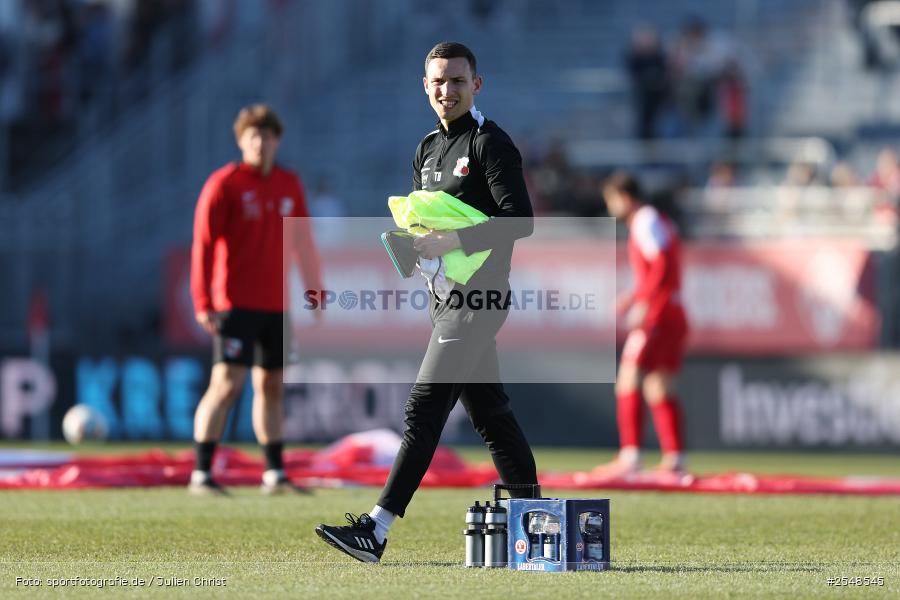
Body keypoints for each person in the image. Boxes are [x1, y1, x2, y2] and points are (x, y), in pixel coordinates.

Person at [315, 41, 539, 563]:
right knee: (491, 414)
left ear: (476, 85)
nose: (447, 90)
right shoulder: (425, 149)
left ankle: (377, 529)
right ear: (425, 86)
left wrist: (453, 243)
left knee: (423, 408)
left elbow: (521, 220)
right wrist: (412, 249)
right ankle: (537, 524)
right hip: (446, 299)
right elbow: (426, 225)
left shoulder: (490, 143)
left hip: (478, 298)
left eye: (458, 80)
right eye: (438, 81)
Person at [189, 104, 323, 496]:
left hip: (276, 305)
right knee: (226, 384)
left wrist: (314, 288)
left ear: (276, 140)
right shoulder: (224, 184)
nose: (260, 143)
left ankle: (275, 474)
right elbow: (203, 245)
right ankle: (201, 473)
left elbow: (303, 241)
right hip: (234, 303)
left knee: (272, 386)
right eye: (253, 136)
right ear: (241, 141)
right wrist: (202, 300)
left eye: (266, 136)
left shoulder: (289, 184)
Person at [595, 171, 689, 478]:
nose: (611, 208)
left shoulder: (645, 221)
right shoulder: (656, 219)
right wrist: (633, 296)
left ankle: (631, 456)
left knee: (628, 377)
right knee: (658, 385)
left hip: (659, 314)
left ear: (623, 197)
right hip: (672, 309)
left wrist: (645, 302)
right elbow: (664, 266)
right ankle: (675, 459)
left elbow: (662, 262)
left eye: (611, 200)